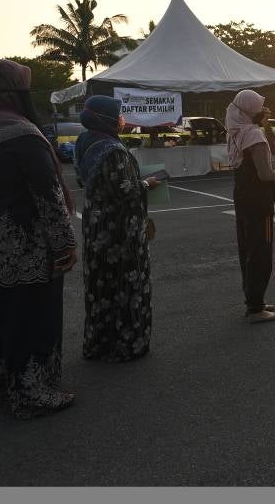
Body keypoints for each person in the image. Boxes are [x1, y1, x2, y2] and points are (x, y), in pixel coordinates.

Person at [0, 59, 77, 419]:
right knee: (32, 314)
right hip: (28, 245)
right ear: (14, 91)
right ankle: (32, 393)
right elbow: (48, 195)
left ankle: (0, 386)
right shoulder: (20, 134)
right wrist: (66, 243)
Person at [74, 96, 156, 361]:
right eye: (119, 115)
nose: (122, 119)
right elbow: (125, 189)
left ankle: (99, 343)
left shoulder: (84, 141)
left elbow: (85, 179)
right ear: (107, 118)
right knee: (124, 284)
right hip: (121, 230)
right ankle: (125, 344)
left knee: (101, 285)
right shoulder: (113, 149)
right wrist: (147, 184)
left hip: (96, 224)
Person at [227, 90, 275, 322]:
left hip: (242, 197)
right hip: (259, 201)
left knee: (248, 250)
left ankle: (255, 299)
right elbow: (265, 174)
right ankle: (256, 307)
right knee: (261, 252)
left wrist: (263, 124)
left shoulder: (235, 132)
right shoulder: (253, 134)